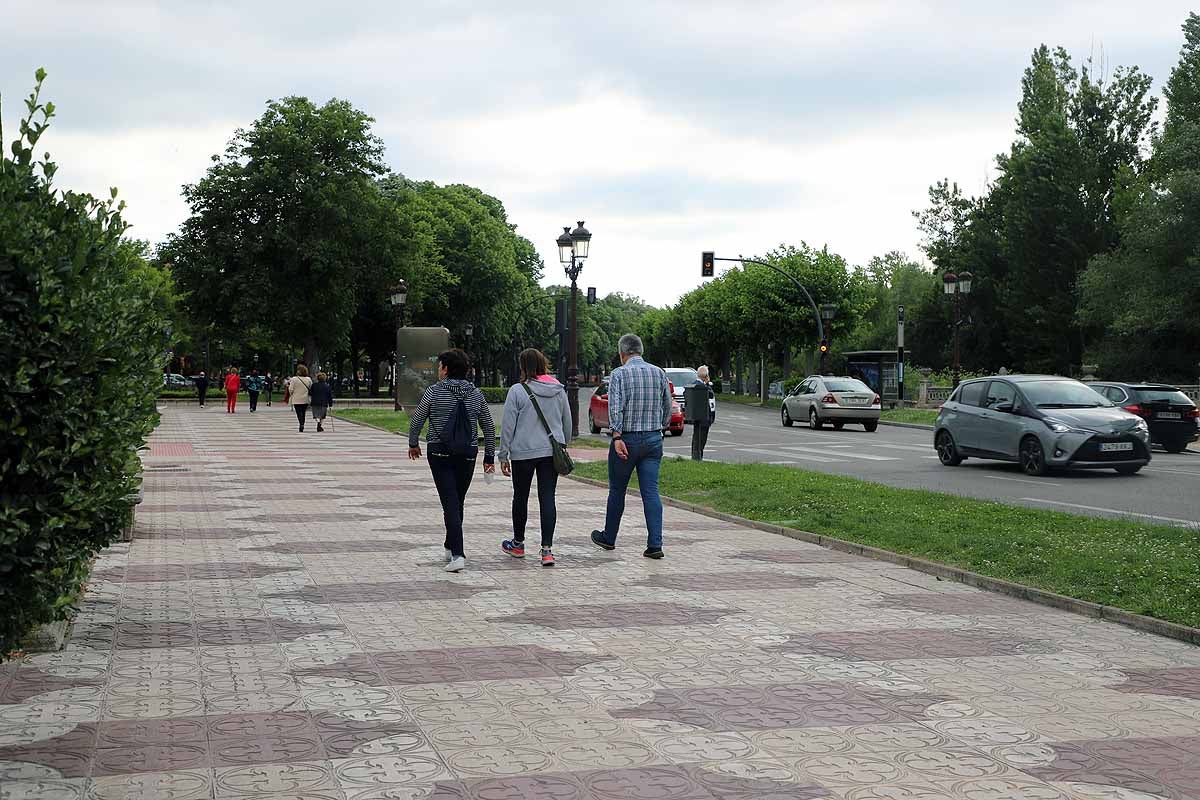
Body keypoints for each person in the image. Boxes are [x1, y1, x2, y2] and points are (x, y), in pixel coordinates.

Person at [407, 349, 496, 573]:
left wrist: (413, 443)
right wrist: (489, 457)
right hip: (467, 453)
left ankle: (458, 555)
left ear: (446, 369)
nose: (438, 370)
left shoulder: (434, 392)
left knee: (449, 500)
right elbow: (489, 426)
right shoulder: (476, 394)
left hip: (439, 452)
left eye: (440, 366)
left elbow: (417, 418)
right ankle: (449, 545)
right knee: (457, 500)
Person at [590, 333, 672, 559]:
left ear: (621, 353)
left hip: (626, 439)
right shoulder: (659, 373)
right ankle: (655, 544)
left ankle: (609, 537)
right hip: (653, 439)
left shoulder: (619, 374)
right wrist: (660, 427)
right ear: (641, 351)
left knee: (618, 489)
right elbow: (667, 404)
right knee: (651, 491)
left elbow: (615, 406)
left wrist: (617, 436)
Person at [499, 348, 571, 567]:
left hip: (522, 453)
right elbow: (566, 422)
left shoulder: (517, 391)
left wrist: (503, 454)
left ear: (523, 367)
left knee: (520, 497)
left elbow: (508, 426)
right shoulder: (559, 390)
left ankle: (518, 544)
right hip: (550, 452)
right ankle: (547, 551)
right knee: (547, 497)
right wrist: (563, 446)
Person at [690, 365, 717, 461]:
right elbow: (710, 396)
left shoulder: (694, 384)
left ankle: (696, 457)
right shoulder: (703, 387)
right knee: (701, 440)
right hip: (704, 418)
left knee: (697, 439)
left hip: (698, 418)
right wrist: (707, 384)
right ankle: (697, 459)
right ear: (706, 376)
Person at [287, 365, 314, 432]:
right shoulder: (308, 379)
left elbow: (290, 389)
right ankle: (302, 423)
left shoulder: (294, 379)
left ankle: (301, 423)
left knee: (299, 413)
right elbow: (311, 388)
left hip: (296, 399)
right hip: (305, 399)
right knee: (303, 412)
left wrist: (292, 394)